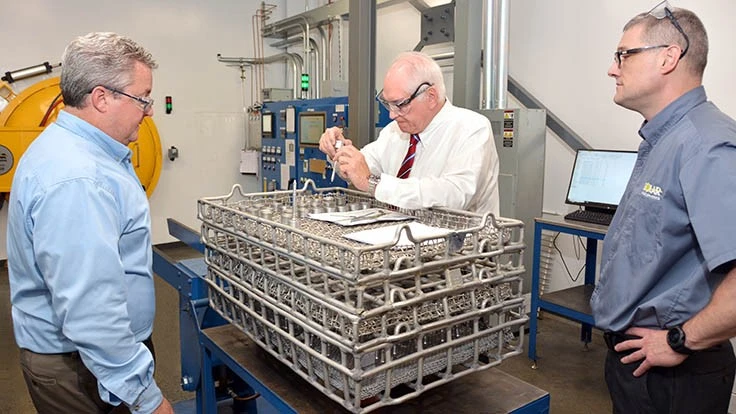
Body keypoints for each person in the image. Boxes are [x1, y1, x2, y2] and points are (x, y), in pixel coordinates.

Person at [7, 32, 173, 414]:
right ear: (101, 98)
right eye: (143, 98)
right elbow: (91, 312)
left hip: (92, 361)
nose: (149, 111)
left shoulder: (74, 152)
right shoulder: (79, 178)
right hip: (82, 370)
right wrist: (146, 398)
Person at [590, 2, 736, 413]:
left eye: (623, 55)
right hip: (639, 363)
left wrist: (679, 340)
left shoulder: (707, 146)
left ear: (668, 58)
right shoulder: (665, 140)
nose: (612, 69)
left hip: (674, 376)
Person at [318, 51, 500, 215]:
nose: (392, 114)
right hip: (404, 237)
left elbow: (455, 195)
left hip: (460, 241)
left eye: (400, 104)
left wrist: (373, 184)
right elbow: (362, 167)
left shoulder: (472, 129)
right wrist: (339, 151)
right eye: (388, 103)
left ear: (431, 96)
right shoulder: (394, 132)